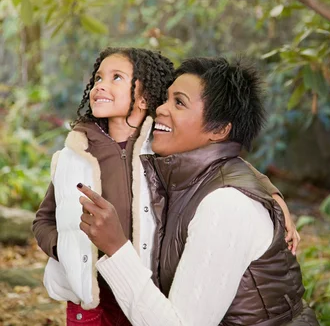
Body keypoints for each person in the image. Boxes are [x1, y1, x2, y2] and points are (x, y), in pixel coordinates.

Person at [33, 50, 291, 326]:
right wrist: (68, 250)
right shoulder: (75, 155)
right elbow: (44, 218)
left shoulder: (158, 150)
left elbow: (227, 164)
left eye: (117, 77)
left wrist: (272, 196)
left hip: (142, 289)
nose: (101, 85)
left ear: (143, 98)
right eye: (98, 78)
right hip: (93, 296)